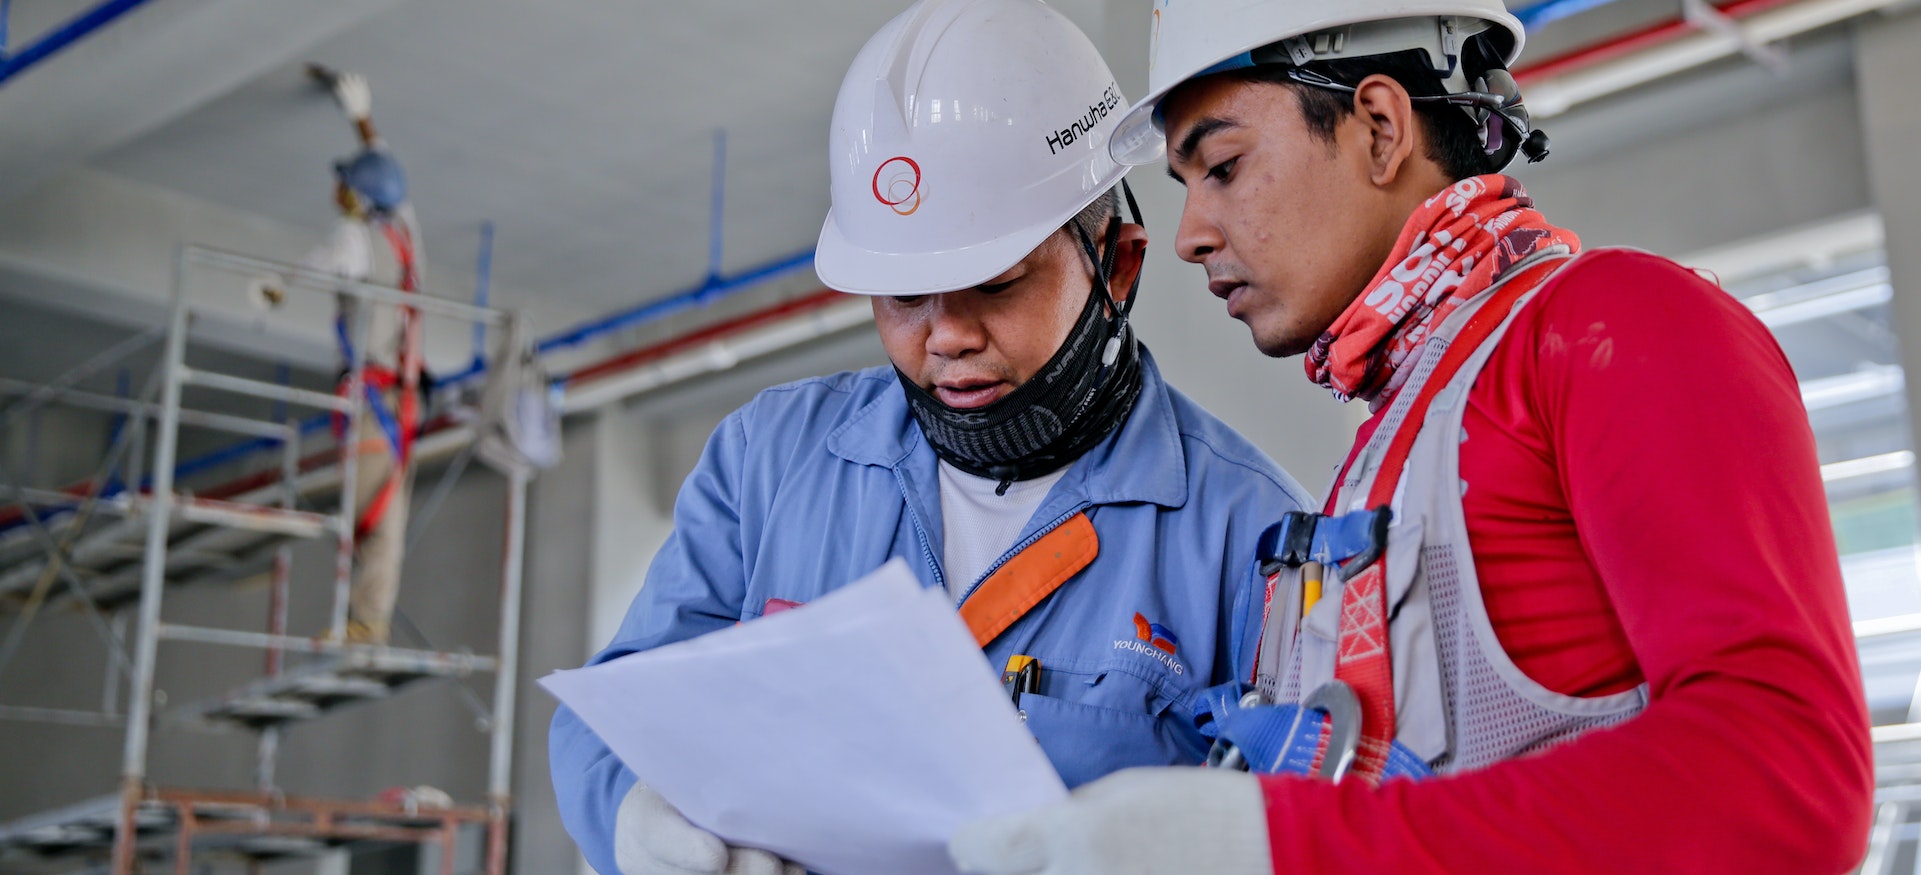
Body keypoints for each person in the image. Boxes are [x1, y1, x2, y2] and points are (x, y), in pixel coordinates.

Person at [947, 1, 1874, 873]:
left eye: (1221, 166)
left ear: (1381, 128)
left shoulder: (1614, 325)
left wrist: (1280, 839)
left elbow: (1788, 773)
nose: (1189, 234)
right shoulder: (1393, 442)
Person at [547, 1, 1312, 873]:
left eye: (996, 283)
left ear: (1117, 263)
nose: (945, 335)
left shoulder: (1255, 540)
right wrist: (630, 813)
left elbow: (1305, 828)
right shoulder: (766, 462)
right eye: (905, 295)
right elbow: (614, 711)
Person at [302, 66, 426, 646]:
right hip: (396, 398)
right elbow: (389, 179)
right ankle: (366, 621)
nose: (337, 189)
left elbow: (312, 267)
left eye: (344, 184)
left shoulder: (354, 240)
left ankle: (363, 624)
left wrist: (271, 288)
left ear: (355, 197)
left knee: (367, 517)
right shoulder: (402, 234)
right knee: (381, 513)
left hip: (373, 402)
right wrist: (362, 120)